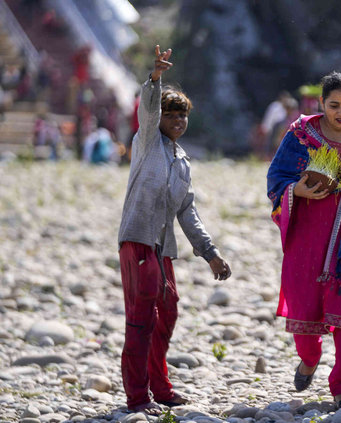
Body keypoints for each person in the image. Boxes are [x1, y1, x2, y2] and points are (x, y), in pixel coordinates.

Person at [117, 45, 231, 415]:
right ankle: (137, 396)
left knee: (168, 313)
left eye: (183, 116)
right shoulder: (146, 141)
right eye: (171, 114)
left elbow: (188, 212)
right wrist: (155, 79)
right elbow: (147, 108)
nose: (178, 121)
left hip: (162, 248)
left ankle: (160, 386)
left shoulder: (182, 161)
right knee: (141, 316)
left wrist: (210, 253)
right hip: (137, 240)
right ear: (159, 118)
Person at [267, 71, 341, 409]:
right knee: (305, 315)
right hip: (307, 238)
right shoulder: (301, 135)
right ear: (321, 103)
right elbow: (277, 178)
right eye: (334, 105)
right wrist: (298, 189)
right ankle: (309, 358)